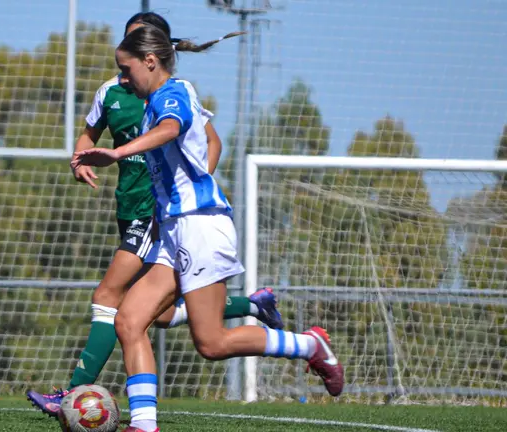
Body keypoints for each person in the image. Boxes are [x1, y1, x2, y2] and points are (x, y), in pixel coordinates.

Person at [72, 24, 344, 432]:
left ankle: (309, 345)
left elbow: (171, 128)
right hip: (173, 230)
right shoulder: (151, 101)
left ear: (150, 61)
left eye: (127, 70)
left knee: (212, 343)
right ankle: (143, 425)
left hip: (199, 227)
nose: (123, 79)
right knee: (129, 321)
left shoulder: (173, 93)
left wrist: (118, 152)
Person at [26, 12, 284, 418]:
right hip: (128, 206)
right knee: (159, 314)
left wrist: (187, 192)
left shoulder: (171, 93)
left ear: (153, 54)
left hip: (155, 211)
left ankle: (73, 393)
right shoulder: (111, 91)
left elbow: (209, 141)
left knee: (108, 296)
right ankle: (252, 306)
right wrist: (79, 160)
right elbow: (89, 134)